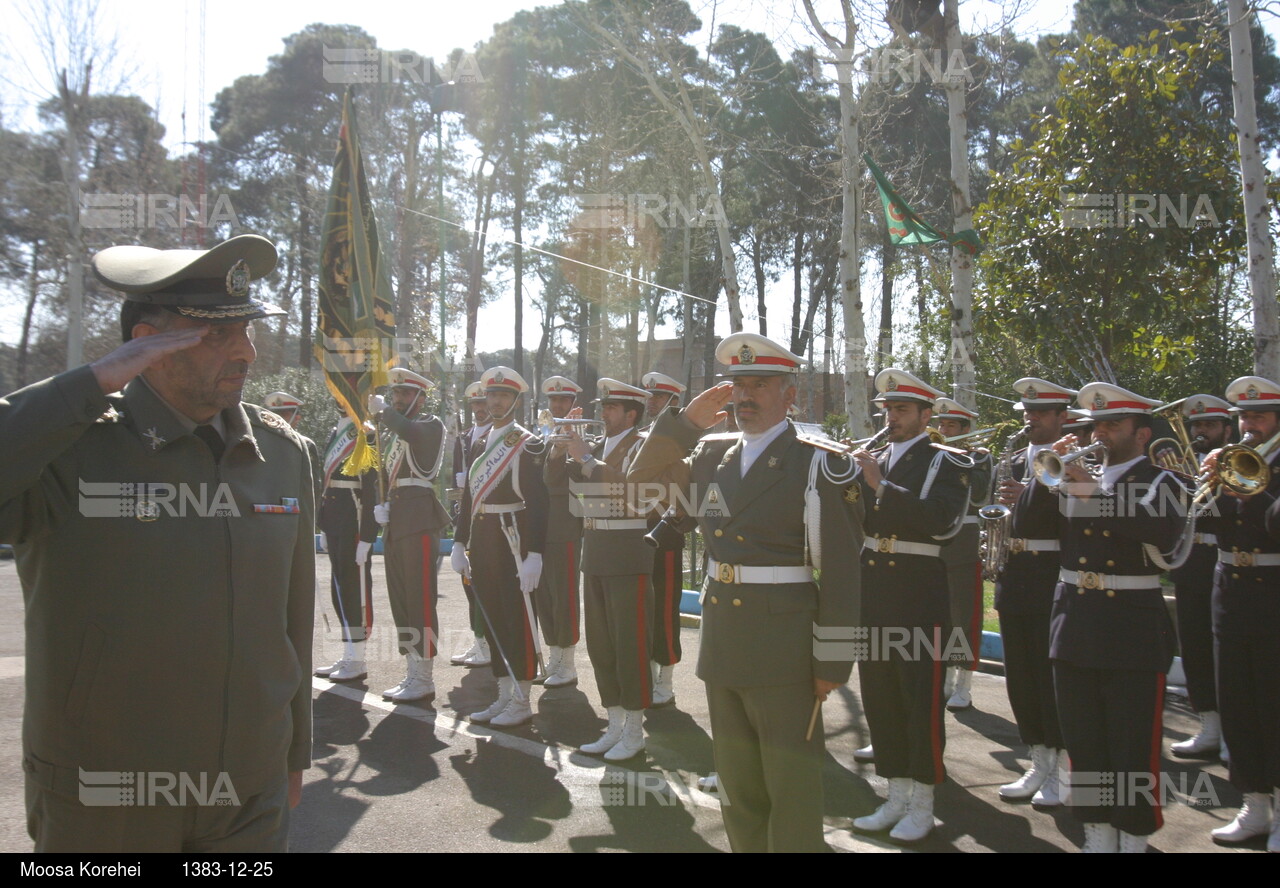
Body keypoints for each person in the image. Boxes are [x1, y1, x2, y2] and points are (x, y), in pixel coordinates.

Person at [4, 234, 312, 852]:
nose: (247, 351)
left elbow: (291, 618)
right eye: (217, 335)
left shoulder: (281, 455)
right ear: (148, 346)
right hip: (107, 798)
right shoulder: (70, 448)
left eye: (248, 330)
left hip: (248, 791)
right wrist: (89, 383)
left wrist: (293, 750)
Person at [629, 332, 863, 853]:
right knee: (739, 789)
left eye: (761, 384)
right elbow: (636, 484)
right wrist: (685, 423)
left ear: (789, 394)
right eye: (738, 385)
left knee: (791, 788)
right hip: (724, 640)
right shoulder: (711, 454)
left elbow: (844, 574)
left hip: (786, 647)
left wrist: (832, 663)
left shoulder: (820, 463)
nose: (746, 397)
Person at [1049, 382, 1183, 853]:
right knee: (1085, 741)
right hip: (1075, 623)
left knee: (1131, 745)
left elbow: (1160, 531)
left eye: (1112, 425)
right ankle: (1097, 832)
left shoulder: (1165, 482)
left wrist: (1092, 493)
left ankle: (1134, 835)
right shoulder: (1077, 477)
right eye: (1096, 425)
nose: (1101, 433)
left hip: (1131, 628)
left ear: (1141, 433)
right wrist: (1049, 471)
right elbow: (1026, 526)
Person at [851, 368, 971, 843]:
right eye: (888, 409)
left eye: (902, 410)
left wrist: (880, 485)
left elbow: (942, 523)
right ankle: (895, 796)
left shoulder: (949, 461)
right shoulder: (872, 456)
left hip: (918, 592)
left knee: (919, 700)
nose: (892, 418)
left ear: (927, 415)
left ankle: (923, 804)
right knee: (880, 697)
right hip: (873, 589)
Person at [549, 378, 653, 760]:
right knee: (602, 646)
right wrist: (561, 449)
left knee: (630, 645)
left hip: (627, 555)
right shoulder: (594, 446)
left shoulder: (643, 447)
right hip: (594, 551)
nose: (603, 413)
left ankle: (636, 731)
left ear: (631, 413)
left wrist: (588, 459)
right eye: (603, 406)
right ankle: (614, 724)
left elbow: (633, 493)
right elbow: (555, 483)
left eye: (611, 408)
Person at [450, 367, 548, 728]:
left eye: (504, 396)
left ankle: (522, 698)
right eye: (491, 395)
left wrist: (534, 554)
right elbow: (470, 498)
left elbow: (539, 504)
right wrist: (460, 542)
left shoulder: (528, 443)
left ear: (516, 400)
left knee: (516, 617)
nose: (495, 402)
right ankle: (504, 693)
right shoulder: (479, 441)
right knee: (491, 618)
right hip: (483, 540)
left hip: (513, 540)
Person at [1206, 376, 1280, 852]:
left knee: (1274, 704)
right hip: (1229, 591)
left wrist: (1258, 496)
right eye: (1243, 417)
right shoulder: (1230, 458)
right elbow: (1205, 525)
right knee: (1237, 703)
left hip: (1274, 593)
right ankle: (1254, 804)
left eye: (1258, 417)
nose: (1248, 425)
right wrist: (1210, 485)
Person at [994, 378, 1075, 808]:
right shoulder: (1014, 455)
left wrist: (1031, 494)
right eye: (1028, 411)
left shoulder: (1074, 459)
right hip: (1014, 573)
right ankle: (1037, 759)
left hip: (1051, 574)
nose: (1032, 418)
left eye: (1042, 412)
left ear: (1063, 416)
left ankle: (1061, 767)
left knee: (1048, 679)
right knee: (1020, 677)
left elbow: (1078, 518)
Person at [367, 368, 450, 703]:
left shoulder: (430, 425)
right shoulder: (393, 433)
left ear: (420, 397)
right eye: (395, 393)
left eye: (404, 394)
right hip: (397, 518)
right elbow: (383, 473)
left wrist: (383, 411)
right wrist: (380, 504)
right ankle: (411, 669)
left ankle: (425, 675)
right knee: (401, 597)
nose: (398, 399)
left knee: (420, 596)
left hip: (419, 517)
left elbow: (410, 432)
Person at [1167, 394, 1233, 761]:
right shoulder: (1181, 466)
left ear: (1227, 428)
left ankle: (1231, 731)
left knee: (1226, 650)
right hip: (1191, 561)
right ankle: (1209, 725)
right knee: (1193, 644)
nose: (1200, 432)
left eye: (1208, 426)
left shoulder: (1238, 461)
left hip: (1224, 560)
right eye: (1195, 426)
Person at [931, 397, 993, 711]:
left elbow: (980, 496)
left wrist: (961, 459)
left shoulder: (978, 457)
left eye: (950, 425)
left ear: (965, 429)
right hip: (933, 544)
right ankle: (941, 677)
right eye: (941, 424)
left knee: (962, 615)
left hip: (963, 544)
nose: (943, 430)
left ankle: (963, 682)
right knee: (936, 616)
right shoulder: (932, 454)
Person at [315, 411, 379, 683]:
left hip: (354, 517)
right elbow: (326, 481)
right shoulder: (336, 429)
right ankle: (348, 652)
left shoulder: (367, 432)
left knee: (355, 588)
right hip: (335, 517)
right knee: (338, 586)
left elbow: (372, 486)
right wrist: (323, 524)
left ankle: (358, 658)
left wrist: (367, 535)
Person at [532, 376, 585, 689]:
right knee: (545, 595)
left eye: (563, 401)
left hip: (564, 525)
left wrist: (565, 448)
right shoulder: (541, 434)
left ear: (572, 404)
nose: (557, 406)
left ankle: (568, 662)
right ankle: (554, 656)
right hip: (539, 524)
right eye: (553, 401)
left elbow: (571, 478)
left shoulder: (581, 436)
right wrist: (552, 449)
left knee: (563, 594)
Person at [642, 371, 689, 707]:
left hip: (667, 533)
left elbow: (682, 486)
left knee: (666, 608)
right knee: (641, 607)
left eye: (659, 398)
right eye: (650, 397)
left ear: (674, 403)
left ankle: (667, 679)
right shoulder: (640, 438)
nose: (652, 402)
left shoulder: (686, 442)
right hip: (637, 532)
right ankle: (645, 670)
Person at [450, 381, 494, 667]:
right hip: (465, 515)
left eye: (482, 403)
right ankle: (478, 641)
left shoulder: (496, 437)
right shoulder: (464, 438)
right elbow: (456, 476)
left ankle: (488, 644)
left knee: (485, 583)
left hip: (487, 520)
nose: (479, 409)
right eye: (475, 405)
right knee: (468, 582)